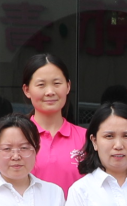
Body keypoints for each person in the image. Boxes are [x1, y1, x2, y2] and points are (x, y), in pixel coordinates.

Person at [21, 52, 87, 193]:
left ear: (68, 86)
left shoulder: (87, 138)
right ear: (27, 90)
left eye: (57, 83)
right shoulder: (15, 137)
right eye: (41, 85)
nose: (50, 92)